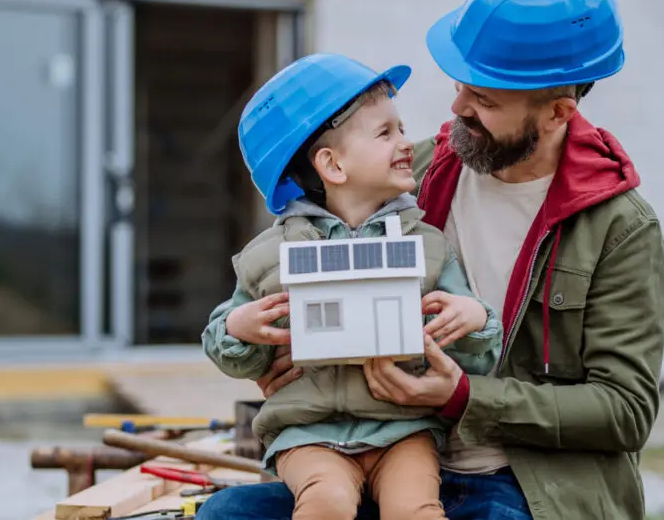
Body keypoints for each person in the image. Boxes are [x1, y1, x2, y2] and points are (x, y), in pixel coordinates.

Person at [199, 0, 664, 520]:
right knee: (225, 515)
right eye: (461, 84)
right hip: (376, 454)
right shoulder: (410, 173)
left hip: (525, 481)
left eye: (486, 99)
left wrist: (463, 398)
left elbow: (624, 411)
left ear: (558, 111)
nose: (456, 108)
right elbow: (292, 254)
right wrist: (275, 355)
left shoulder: (619, 227)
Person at [201, 52, 503, 520]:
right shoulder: (269, 257)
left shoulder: (428, 246)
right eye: (386, 133)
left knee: (416, 510)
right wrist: (237, 328)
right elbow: (239, 349)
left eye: (401, 128)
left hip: (405, 432)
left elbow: (475, 349)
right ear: (333, 166)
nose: (406, 143)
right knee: (326, 503)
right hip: (308, 435)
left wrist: (475, 319)